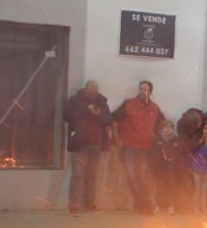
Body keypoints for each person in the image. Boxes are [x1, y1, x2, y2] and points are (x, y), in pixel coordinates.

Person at [112, 80, 164, 214]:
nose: (142, 91)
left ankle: (140, 205)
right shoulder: (128, 104)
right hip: (129, 146)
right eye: (141, 89)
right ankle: (146, 205)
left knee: (139, 177)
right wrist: (117, 139)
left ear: (150, 92)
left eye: (145, 89)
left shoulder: (155, 108)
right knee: (134, 176)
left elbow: (162, 125)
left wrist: (160, 139)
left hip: (146, 148)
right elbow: (114, 120)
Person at [64, 80, 112, 215]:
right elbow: (67, 116)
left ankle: (90, 204)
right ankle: (74, 205)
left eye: (95, 89)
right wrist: (86, 110)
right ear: (85, 88)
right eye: (91, 89)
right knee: (78, 175)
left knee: (92, 176)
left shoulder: (102, 101)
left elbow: (109, 119)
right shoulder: (75, 100)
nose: (93, 91)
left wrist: (98, 115)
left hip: (96, 143)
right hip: (80, 143)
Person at [151, 119, 186, 214]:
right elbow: (153, 154)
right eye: (166, 127)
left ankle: (171, 206)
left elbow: (180, 155)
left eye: (170, 127)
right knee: (159, 187)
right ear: (161, 129)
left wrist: (175, 162)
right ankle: (158, 205)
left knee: (171, 187)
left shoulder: (177, 140)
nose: (168, 129)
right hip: (160, 167)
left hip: (172, 168)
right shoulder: (156, 140)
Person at [189, 121, 207, 214]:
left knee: (205, 189)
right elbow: (190, 150)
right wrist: (201, 141)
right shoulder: (197, 138)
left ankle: (203, 207)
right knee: (197, 189)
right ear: (202, 129)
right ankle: (196, 207)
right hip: (197, 167)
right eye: (205, 128)